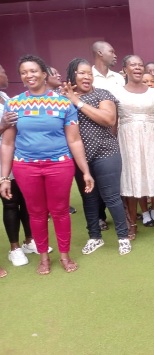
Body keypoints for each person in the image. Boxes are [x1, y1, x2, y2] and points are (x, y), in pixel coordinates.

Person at [0, 55, 95, 275]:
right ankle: (43, 257)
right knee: (36, 213)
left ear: (44, 74)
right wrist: (5, 177)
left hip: (59, 165)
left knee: (60, 211)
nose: (28, 75)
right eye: (24, 72)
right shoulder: (14, 104)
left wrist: (85, 171)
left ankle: (64, 255)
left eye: (33, 71)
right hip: (25, 167)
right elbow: (7, 143)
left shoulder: (63, 103)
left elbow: (74, 140)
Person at [61, 58, 131, 256]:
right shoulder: (62, 99)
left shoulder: (102, 94)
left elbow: (109, 119)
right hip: (79, 157)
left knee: (111, 197)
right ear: (72, 75)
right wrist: (69, 99)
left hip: (106, 153)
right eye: (81, 73)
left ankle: (123, 237)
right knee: (88, 198)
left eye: (89, 73)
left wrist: (78, 102)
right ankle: (94, 237)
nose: (86, 77)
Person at [113, 55, 154, 239]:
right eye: (133, 65)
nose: (137, 68)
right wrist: (113, 146)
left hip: (151, 138)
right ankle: (132, 224)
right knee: (131, 178)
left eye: (140, 65)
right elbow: (114, 122)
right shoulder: (117, 92)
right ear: (124, 69)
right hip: (127, 139)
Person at [0, 64, 45, 269]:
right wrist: (2, 125)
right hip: (3, 159)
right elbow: (6, 127)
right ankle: (14, 248)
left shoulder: (7, 98)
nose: (6, 75)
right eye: (3, 72)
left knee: (26, 200)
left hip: (19, 156)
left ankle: (29, 241)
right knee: (10, 202)